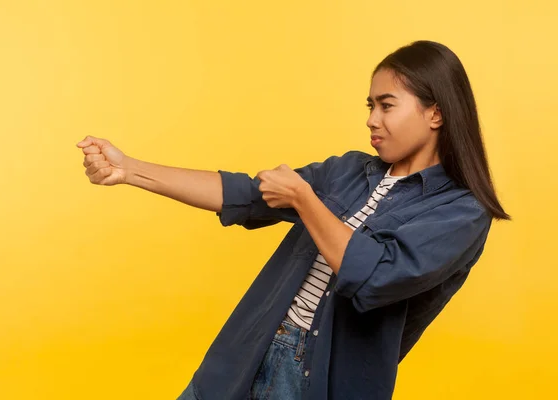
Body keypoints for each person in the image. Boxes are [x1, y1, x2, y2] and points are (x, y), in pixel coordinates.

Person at [76, 40, 509, 400]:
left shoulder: (460, 212)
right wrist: (129, 169)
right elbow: (246, 194)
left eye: (386, 106)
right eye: (369, 105)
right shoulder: (347, 170)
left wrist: (304, 198)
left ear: (435, 113)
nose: (371, 120)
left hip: (318, 381)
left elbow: (374, 276)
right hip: (247, 351)